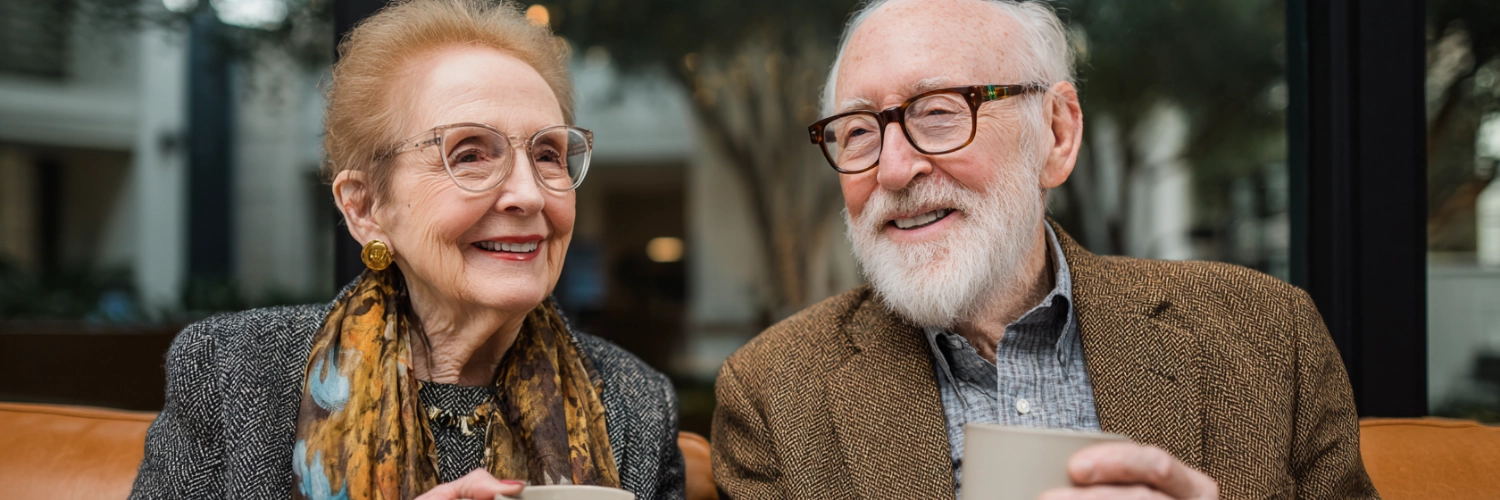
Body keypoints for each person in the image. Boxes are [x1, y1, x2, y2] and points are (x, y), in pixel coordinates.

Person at [711, 0, 1377, 499]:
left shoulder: (1265, 333)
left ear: (1057, 134)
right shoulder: (774, 394)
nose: (892, 169)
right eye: (857, 132)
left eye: (938, 112)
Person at [130, 1, 684, 499]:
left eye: (547, 154)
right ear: (366, 207)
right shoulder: (237, 374)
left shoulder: (634, 404)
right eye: (469, 155)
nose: (528, 194)